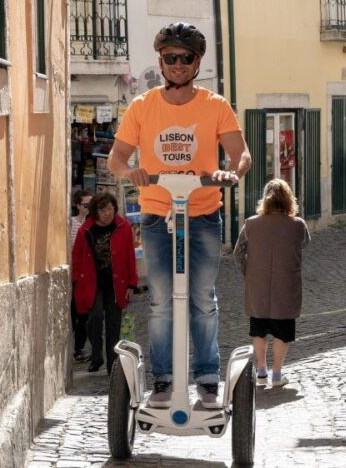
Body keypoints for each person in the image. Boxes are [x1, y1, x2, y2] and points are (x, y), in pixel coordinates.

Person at [107, 22, 252, 409]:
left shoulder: (215, 106)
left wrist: (230, 172)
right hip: (156, 216)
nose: (177, 64)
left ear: (196, 62)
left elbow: (242, 154)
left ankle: (207, 378)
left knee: (202, 298)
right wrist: (130, 172)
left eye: (185, 58)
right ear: (161, 60)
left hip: (203, 215)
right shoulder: (142, 106)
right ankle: (164, 380)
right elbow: (116, 158)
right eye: (170, 57)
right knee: (160, 300)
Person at [233, 179, 310, 388]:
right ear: (288, 200)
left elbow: (238, 253)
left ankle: (261, 370)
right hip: (286, 284)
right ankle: (277, 373)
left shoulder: (250, 223)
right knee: (283, 330)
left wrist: (249, 274)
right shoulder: (298, 225)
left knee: (258, 329)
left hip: (257, 285)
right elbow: (305, 243)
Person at [72, 192, 138, 374]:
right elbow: (77, 256)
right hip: (93, 283)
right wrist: (77, 280)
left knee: (113, 322)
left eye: (110, 209)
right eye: (103, 210)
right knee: (94, 319)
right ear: (95, 211)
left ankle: (112, 364)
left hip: (117, 283)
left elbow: (129, 257)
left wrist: (132, 284)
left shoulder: (123, 227)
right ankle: (96, 356)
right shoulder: (85, 230)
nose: (107, 213)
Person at [70, 189, 93, 362]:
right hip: (74, 274)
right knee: (73, 313)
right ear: (78, 206)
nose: (89, 208)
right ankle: (74, 347)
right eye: (86, 205)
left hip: (89, 276)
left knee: (85, 314)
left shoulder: (94, 223)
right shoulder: (71, 224)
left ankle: (79, 348)